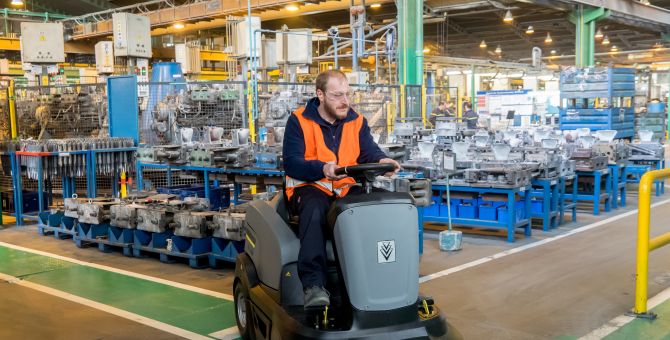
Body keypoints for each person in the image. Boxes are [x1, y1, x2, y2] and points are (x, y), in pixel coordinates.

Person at [282, 70, 401, 308]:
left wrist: (382, 162)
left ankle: (384, 275)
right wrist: (322, 168)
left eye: (347, 94)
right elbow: (292, 162)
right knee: (315, 209)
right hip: (310, 187)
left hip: (344, 189)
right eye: (337, 95)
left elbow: (369, 151)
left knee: (384, 205)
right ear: (320, 95)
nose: (345, 101)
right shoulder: (299, 121)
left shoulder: (356, 121)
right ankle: (314, 285)